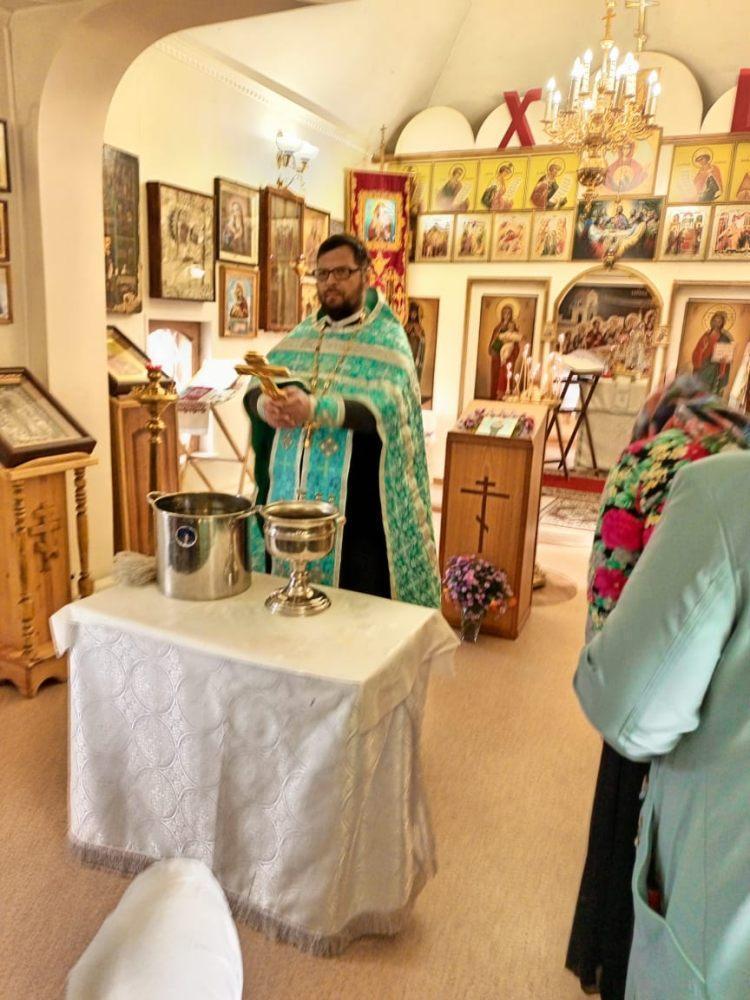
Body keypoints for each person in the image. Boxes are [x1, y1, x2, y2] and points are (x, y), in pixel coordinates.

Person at [566, 378, 750, 1000]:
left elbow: (611, 576)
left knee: (631, 836)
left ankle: (604, 955)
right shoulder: (737, 445)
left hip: (667, 699)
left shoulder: (677, 471)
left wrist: (600, 648)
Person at [244, 233, 440, 606]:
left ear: (365, 274)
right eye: (322, 274)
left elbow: (387, 408)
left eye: (341, 272)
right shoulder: (304, 335)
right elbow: (258, 382)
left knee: (353, 609)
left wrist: (316, 409)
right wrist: (264, 405)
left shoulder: (388, 338)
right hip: (291, 498)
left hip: (358, 509)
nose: (330, 282)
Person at [691, 309, 734, 395]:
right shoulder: (706, 335)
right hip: (703, 365)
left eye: (719, 321)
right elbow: (697, 351)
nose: (717, 323)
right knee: (699, 388)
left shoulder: (725, 338)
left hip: (714, 368)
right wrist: (702, 350)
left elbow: (725, 356)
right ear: (712, 321)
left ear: (722, 323)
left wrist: (722, 370)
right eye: (715, 320)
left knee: (710, 390)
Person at [489, 302, 521, 398]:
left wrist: (511, 350)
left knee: (506, 374)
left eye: (508, 313)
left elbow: (516, 342)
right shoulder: (498, 327)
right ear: (501, 314)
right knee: (496, 374)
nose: (506, 315)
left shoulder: (514, 328)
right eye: (504, 313)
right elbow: (493, 340)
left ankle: (505, 394)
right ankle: (495, 395)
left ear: (511, 315)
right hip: (497, 355)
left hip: (509, 356)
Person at [405, 301, 426, 383]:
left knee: (415, 369)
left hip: (416, 351)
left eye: (415, 313)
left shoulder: (420, 328)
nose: (413, 315)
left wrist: (418, 335)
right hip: (408, 349)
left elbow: (422, 341)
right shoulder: (405, 326)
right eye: (412, 313)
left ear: (417, 314)